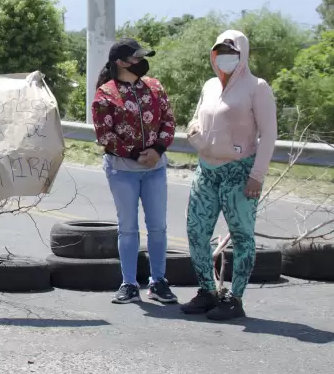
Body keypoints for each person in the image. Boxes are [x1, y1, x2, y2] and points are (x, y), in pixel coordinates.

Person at [181, 30, 277, 321]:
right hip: (207, 170)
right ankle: (207, 291)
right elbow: (198, 117)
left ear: (242, 55)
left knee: (242, 236)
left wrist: (256, 176)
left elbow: (269, 135)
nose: (224, 57)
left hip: (240, 172)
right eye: (219, 51)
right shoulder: (210, 85)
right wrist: (195, 133)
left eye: (231, 52)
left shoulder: (256, 88)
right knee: (196, 232)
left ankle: (235, 298)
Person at [92, 38, 177, 305]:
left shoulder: (154, 87)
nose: (142, 62)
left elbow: (169, 121)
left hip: (155, 168)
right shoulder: (105, 94)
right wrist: (134, 155)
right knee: (127, 228)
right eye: (137, 58)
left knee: (158, 227)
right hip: (122, 169)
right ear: (121, 62)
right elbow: (104, 134)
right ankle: (129, 283)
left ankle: (158, 282)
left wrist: (158, 150)